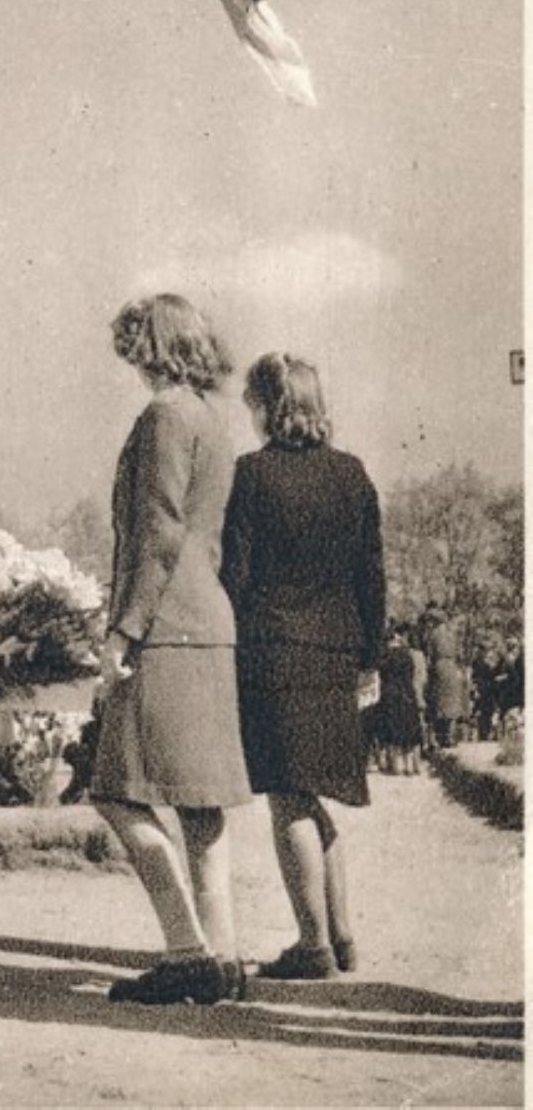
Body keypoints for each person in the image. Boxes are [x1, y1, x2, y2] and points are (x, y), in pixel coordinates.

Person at [92, 293, 251, 1007]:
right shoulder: (212, 420)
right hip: (207, 622)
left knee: (117, 792)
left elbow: (155, 533)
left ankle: (186, 954)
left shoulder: (162, 416)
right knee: (199, 806)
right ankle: (224, 956)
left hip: (164, 627)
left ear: (150, 345)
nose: (126, 359)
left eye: (132, 344)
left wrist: (123, 629)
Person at [222, 353, 386, 980]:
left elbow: (235, 576)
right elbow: (372, 577)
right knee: (316, 795)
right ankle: (341, 936)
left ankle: (312, 945)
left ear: (266, 406)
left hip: (272, 654)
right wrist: (369, 657)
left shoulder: (252, 475)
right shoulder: (353, 474)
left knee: (287, 799)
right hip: (335, 654)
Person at [375, 625, 423, 774]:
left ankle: (396, 765)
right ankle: (410, 765)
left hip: (390, 694)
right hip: (407, 693)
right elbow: (411, 673)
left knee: (392, 729)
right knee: (409, 729)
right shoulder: (407, 655)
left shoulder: (386, 656)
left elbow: (382, 674)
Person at [424, 608, 469, 749]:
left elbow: (429, 656)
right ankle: (450, 737)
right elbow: (460, 652)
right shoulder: (452, 633)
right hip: (452, 667)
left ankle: (440, 738)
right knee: (453, 703)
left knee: (439, 704)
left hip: (440, 667)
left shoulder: (433, 634)